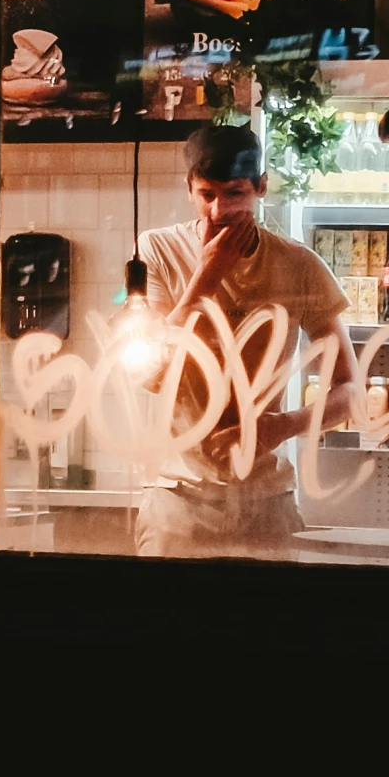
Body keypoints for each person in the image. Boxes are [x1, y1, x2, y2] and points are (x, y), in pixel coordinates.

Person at [134, 124, 360, 559]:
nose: (219, 210)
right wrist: (205, 278)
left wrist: (279, 427)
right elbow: (151, 375)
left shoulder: (299, 265)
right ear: (189, 190)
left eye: (235, 193)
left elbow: (350, 393)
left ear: (261, 187)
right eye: (207, 194)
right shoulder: (158, 250)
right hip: (176, 496)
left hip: (265, 499)